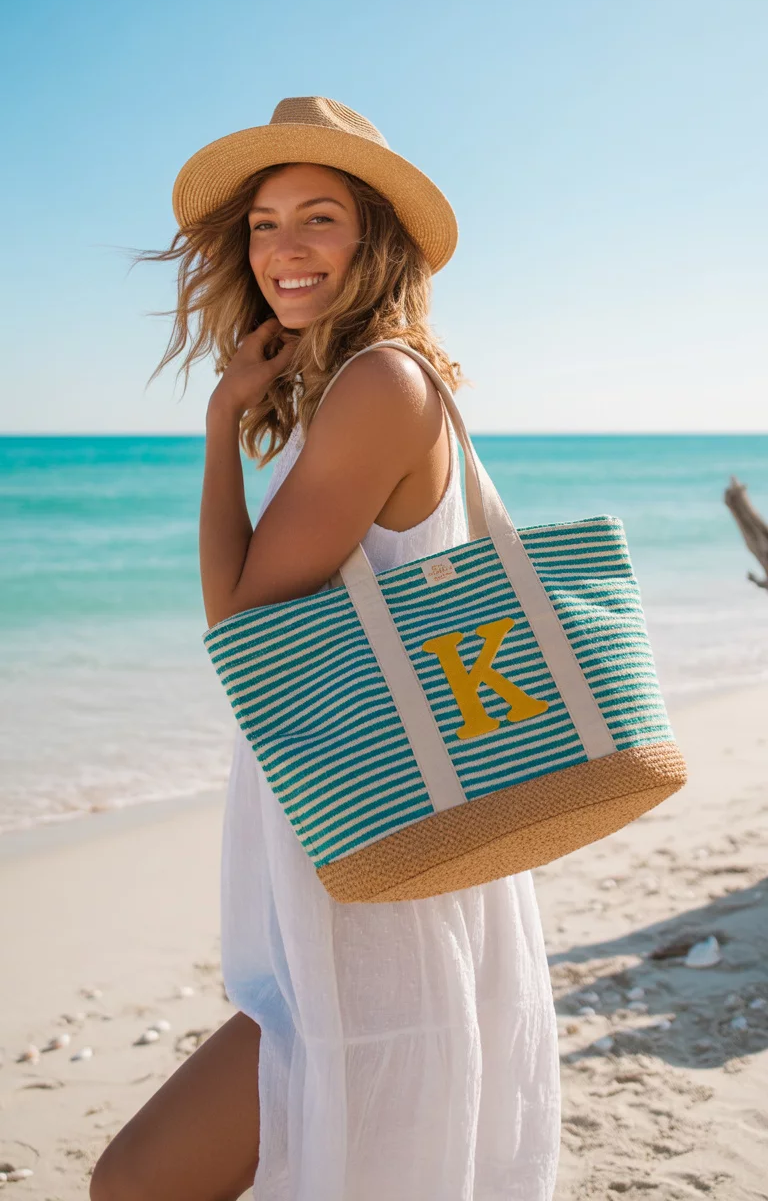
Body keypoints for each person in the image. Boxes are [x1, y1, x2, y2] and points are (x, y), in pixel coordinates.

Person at [90, 98, 560, 1201]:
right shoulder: (366, 386)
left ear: (375, 240)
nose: (283, 249)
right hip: (381, 852)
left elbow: (244, 634)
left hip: (378, 882)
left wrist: (219, 433)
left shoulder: (379, 385)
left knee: (134, 1182)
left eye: (320, 218)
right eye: (262, 224)